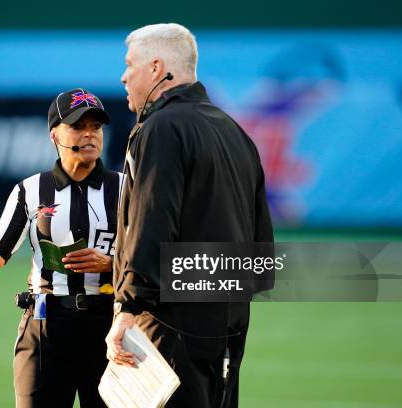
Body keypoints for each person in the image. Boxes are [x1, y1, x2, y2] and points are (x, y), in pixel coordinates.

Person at [105, 23, 274, 407]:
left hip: (172, 316)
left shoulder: (160, 128)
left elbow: (151, 222)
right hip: (229, 313)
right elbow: (261, 231)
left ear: (156, 68)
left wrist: (128, 307)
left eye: (130, 64)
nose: (123, 76)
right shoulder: (232, 129)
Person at [0, 89, 124, 408]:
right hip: (45, 329)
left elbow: (154, 257)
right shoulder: (30, 189)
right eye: (77, 125)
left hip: (110, 329)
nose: (88, 134)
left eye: (95, 126)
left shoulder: (127, 188)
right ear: (54, 134)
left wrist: (111, 263)